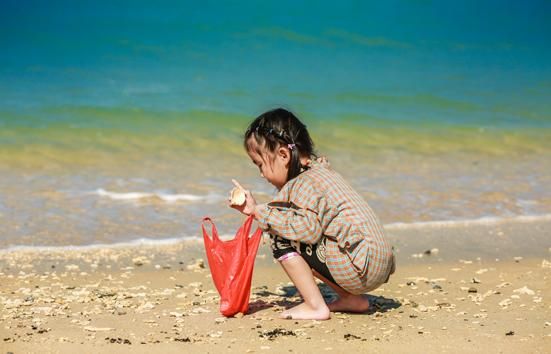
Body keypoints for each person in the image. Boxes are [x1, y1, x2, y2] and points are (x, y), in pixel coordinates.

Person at [231, 108, 395, 320]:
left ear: (283, 155)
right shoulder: (320, 173)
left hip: (362, 267)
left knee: (280, 233)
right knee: (289, 223)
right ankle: (351, 299)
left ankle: (315, 306)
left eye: (260, 165)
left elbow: (307, 231)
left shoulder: (304, 184)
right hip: (377, 260)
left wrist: (257, 211)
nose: (261, 174)